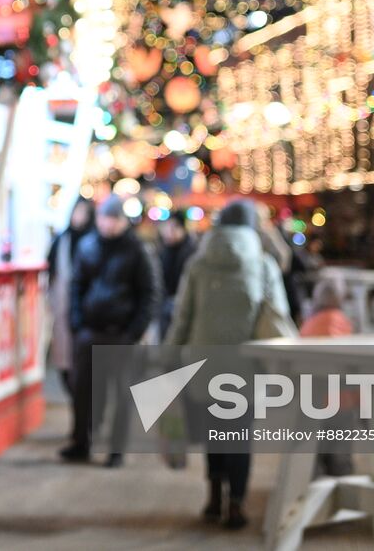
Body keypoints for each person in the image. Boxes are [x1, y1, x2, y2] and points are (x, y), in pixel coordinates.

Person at [165, 198, 292, 530]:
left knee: (213, 435)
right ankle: (236, 504)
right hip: (245, 369)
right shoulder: (264, 264)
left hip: (201, 365)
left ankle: (213, 498)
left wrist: (167, 356)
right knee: (238, 436)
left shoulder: (197, 264)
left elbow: (182, 316)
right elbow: (277, 316)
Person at [65, 193, 159, 468]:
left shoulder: (137, 250)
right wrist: (77, 323)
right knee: (83, 391)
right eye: (105, 218)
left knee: (122, 393)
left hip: (121, 334)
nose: (108, 224)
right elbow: (76, 286)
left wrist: (134, 331)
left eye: (114, 219)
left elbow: (149, 293)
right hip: (90, 331)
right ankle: (81, 442)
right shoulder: (88, 246)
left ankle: (116, 450)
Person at [299, 275, 355, 477]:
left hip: (311, 401)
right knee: (340, 457)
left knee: (315, 455)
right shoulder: (344, 324)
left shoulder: (308, 325)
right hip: (341, 403)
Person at [47, 197, 95, 396]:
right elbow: (51, 272)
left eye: (84, 212)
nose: (79, 216)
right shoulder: (62, 240)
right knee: (64, 361)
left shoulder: (94, 241)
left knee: (85, 364)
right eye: (77, 211)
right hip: (63, 308)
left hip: (88, 313)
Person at [156, 211, 198, 339]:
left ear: (183, 229)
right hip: (163, 306)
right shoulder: (162, 250)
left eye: (174, 227)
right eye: (166, 227)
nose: (169, 231)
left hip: (181, 306)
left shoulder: (192, 252)